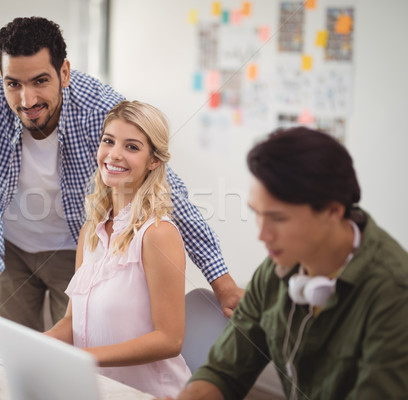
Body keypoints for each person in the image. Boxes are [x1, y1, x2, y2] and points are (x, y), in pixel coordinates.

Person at [0, 16, 243, 333]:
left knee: (81, 349)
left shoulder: (99, 108)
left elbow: (168, 192)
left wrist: (222, 282)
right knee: (12, 354)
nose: (27, 100)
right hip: (10, 249)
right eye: (13, 84)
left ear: (64, 73)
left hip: (74, 248)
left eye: (40, 81)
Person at [167, 127, 408, 400]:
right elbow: (224, 371)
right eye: (257, 214)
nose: (262, 235)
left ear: (332, 211)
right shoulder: (275, 271)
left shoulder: (393, 293)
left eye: (278, 219)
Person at [46, 100, 191, 398]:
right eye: (108, 141)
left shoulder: (158, 234)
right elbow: (72, 322)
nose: (114, 154)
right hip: (99, 390)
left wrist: (85, 358)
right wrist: (38, 344)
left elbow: (170, 340)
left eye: (132, 147)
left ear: (154, 161)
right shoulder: (91, 232)